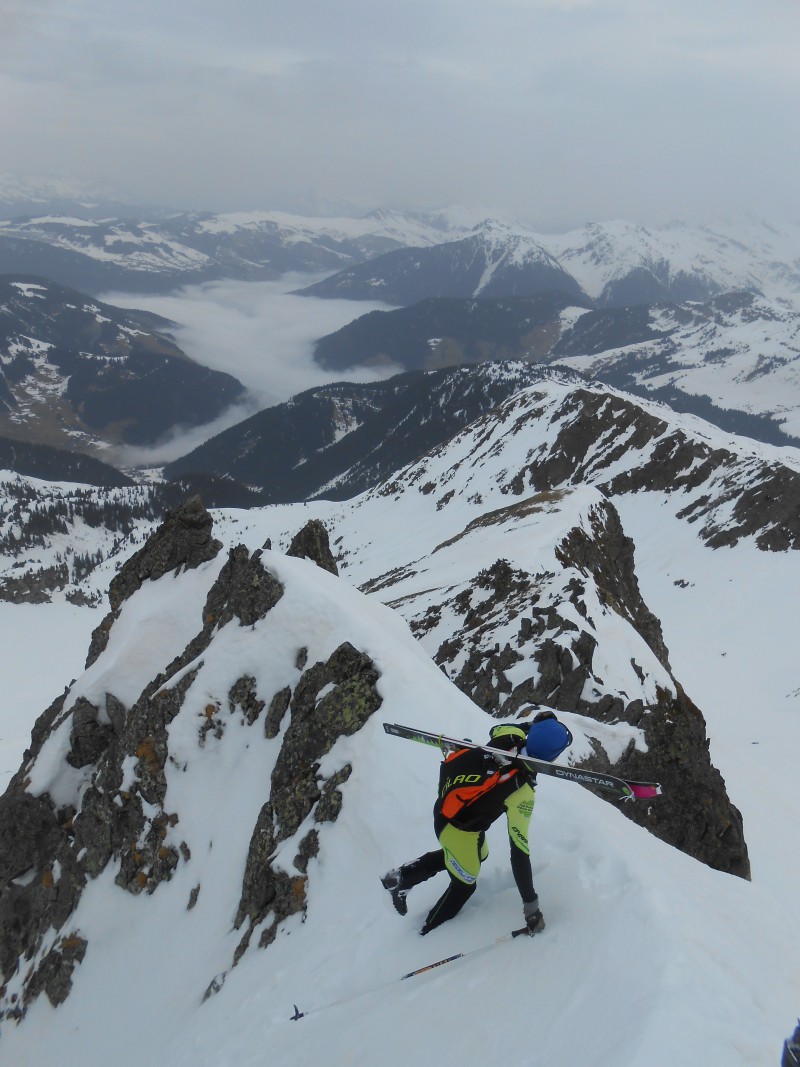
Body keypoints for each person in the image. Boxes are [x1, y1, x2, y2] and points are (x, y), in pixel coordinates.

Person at [381, 710, 573, 936]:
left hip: (447, 806)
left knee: (479, 854)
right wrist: (531, 907)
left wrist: (532, 725)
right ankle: (426, 931)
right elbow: (519, 852)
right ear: (550, 759)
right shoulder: (521, 793)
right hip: (458, 829)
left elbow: (497, 728)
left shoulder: (509, 736)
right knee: (465, 885)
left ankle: (403, 876)